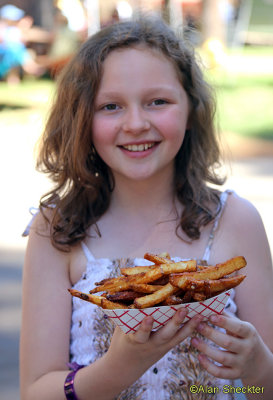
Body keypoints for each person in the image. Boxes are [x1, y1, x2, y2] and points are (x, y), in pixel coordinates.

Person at [20, 15, 273, 400]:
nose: (136, 123)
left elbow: (262, 388)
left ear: (191, 110)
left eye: (158, 101)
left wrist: (259, 367)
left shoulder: (234, 221)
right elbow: (35, 391)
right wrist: (119, 367)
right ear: (82, 119)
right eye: (110, 106)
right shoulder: (56, 229)